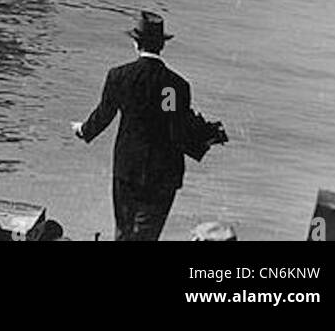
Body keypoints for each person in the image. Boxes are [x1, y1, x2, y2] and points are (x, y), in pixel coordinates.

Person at [71, 12, 226, 241]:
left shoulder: (120, 76)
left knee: (124, 232)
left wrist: (84, 130)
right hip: (162, 173)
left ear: (136, 43)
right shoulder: (173, 86)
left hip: (127, 168)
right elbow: (175, 124)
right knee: (147, 234)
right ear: (162, 46)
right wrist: (206, 139)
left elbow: (104, 114)